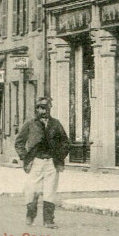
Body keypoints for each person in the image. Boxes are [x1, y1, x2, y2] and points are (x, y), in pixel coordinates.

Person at [14, 97, 70, 228]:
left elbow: (65, 142)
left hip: (51, 162)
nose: (42, 111)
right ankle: (30, 215)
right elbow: (19, 143)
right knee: (32, 190)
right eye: (40, 108)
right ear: (36, 109)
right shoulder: (30, 124)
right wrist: (25, 158)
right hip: (36, 162)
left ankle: (48, 220)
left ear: (49, 109)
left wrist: (59, 156)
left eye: (45, 108)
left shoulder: (56, 124)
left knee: (50, 191)